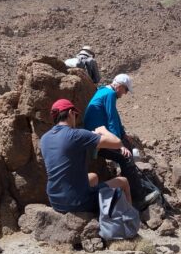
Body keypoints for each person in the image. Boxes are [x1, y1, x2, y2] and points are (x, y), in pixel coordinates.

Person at [84, 74, 161, 209]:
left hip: (96, 135)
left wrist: (123, 135)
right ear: (119, 86)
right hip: (96, 139)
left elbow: (115, 117)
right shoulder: (110, 94)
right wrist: (119, 146)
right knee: (126, 157)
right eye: (125, 90)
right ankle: (139, 198)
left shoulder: (104, 91)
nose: (124, 94)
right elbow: (112, 119)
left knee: (127, 150)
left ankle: (130, 185)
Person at [40, 99, 131, 213]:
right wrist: (103, 130)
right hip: (76, 202)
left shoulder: (44, 138)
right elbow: (117, 143)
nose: (76, 118)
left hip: (55, 200)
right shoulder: (76, 134)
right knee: (123, 182)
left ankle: (98, 210)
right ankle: (129, 220)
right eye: (76, 115)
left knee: (93, 177)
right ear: (70, 113)